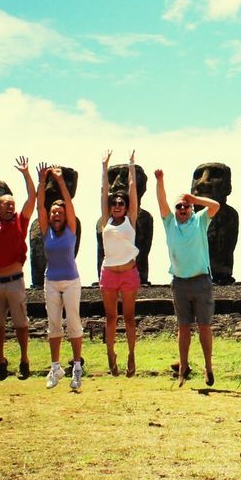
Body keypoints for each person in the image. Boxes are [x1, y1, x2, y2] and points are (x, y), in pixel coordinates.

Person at [155, 168, 221, 387]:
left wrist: (193, 198)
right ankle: (182, 367)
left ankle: (208, 367)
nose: (182, 209)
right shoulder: (169, 223)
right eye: (179, 207)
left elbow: (216, 206)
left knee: (204, 326)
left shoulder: (200, 220)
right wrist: (160, 180)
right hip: (180, 282)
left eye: (186, 206)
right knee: (183, 327)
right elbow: (161, 201)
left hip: (201, 280)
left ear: (192, 209)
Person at [0, 154, 38, 380]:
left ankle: (24, 359)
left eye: (13, 205)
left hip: (15, 281)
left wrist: (26, 174)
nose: (11, 208)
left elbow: (32, 197)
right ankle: (1, 360)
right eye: (7, 205)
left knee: (21, 323)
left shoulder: (20, 221)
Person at [36, 163, 83, 390]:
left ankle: (76, 368)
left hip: (71, 281)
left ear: (65, 217)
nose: (56, 215)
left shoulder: (71, 229)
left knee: (73, 323)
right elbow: (39, 208)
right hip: (51, 281)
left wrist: (60, 180)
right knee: (53, 325)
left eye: (60, 213)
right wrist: (41, 180)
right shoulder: (46, 231)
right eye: (54, 212)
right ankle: (55, 368)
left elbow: (69, 203)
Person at [98, 150, 140, 377]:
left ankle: (132, 354)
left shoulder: (130, 220)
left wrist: (132, 165)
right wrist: (104, 166)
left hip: (129, 273)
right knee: (111, 317)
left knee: (129, 317)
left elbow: (132, 190)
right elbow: (104, 190)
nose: (117, 204)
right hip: (109, 274)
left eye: (120, 202)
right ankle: (110, 354)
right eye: (113, 202)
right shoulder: (106, 221)